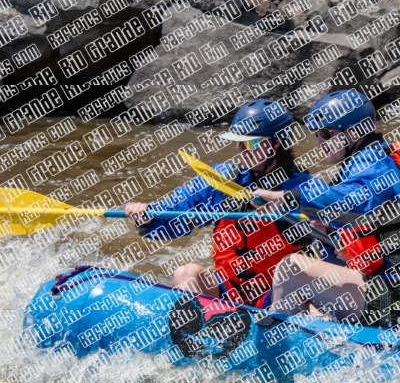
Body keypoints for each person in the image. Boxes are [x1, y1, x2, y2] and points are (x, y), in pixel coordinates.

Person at [251, 89, 400, 328]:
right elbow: (359, 214)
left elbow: (356, 199)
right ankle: (295, 337)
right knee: (310, 299)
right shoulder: (367, 162)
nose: (319, 143)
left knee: (292, 268)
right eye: (318, 135)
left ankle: (275, 346)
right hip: (394, 292)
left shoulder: (375, 162)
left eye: (327, 134)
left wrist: (288, 196)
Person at [124, 99, 315, 307]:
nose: (243, 149)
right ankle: (194, 327)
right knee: (186, 273)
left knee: (296, 284)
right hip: (228, 288)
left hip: (277, 294)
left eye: (251, 143)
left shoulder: (305, 188)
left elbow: (334, 240)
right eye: (239, 142)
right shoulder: (221, 180)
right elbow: (172, 216)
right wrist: (147, 216)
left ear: (277, 143)